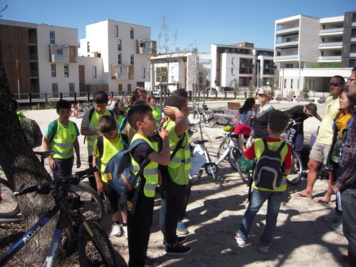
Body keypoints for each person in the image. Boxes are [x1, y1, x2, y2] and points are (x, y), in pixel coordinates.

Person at [235, 110, 292, 254]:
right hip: (278, 187)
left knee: (252, 210)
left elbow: (247, 157)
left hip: (260, 185)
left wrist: (241, 141)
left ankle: (242, 236)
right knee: (272, 216)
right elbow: (287, 171)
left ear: (268, 126)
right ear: (284, 128)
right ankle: (265, 244)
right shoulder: (286, 147)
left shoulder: (259, 143)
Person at [126, 104, 170, 267]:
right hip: (139, 196)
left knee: (144, 230)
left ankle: (141, 259)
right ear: (139, 124)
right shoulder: (141, 144)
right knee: (138, 232)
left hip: (146, 194)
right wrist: (166, 138)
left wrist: (156, 170)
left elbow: (148, 162)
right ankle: (136, 263)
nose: (155, 120)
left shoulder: (145, 140)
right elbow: (164, 159)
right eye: (150, 118)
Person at [295, 75, 345, 198]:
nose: (332, 86)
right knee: (312, 164)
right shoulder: (328, 99)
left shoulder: (343, 101)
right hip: (320, 137)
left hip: (332, 140)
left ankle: (328, 194)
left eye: (336, 84)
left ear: (342, 86)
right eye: (331, 83)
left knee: (330, 170)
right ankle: (308, 191)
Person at [159, 95, 192, 255]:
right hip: (175, 176)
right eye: (185, 109)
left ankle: (169, 237)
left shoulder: (169, 124)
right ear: (173, 111)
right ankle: (171, 244)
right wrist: (177, 112)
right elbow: (183, 123)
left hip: (178, 174)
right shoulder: (173, 126)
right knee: (171, 212)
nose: (188, 111)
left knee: (170, 210)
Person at [333, 67, 356, 267]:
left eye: (352, 80)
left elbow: (354, 155)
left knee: (352, 230)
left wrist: (340, 183)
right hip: (348, 176)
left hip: (351, 182)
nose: (349, 83)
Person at [323, 87, 354, 232]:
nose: (340, 100)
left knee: (345, 187)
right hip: (337, 155)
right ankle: (338, 212)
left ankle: (345, 218)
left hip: (348, 159)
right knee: (337, 184)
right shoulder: (339, 116)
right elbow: (336, 138)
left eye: (343, 98)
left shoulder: (353, 119)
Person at [92, 115, 128, 238]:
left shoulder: (124, 139)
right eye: (105, 134)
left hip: (123, 179)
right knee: (111, 203)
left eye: (111, 134)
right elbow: (95, 162)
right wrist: (98, 181)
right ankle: (115, 223)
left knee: (125, 202)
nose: (109, 137)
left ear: (116, 128)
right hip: (107, 180)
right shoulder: (100, 141)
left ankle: (126, 225)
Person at [81, 91, 114, 191]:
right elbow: (83, 131)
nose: (100, 109)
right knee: (93, 172)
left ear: (107, 104)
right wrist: (96, 132)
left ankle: (106, 192)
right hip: (92, 151)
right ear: (94, 104)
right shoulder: (89, 114)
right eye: (97, 106)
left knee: (107, 171)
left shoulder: (110, 114)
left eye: (102, 106)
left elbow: (115, 130)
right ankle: (94, 193)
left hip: (108, 150)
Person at [43, 100, 81, 180]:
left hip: (69, 158)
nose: (65, 114)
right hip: (57, 160)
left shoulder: (73, 125)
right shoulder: (53, 125)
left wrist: (78, 158)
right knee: (60, 183)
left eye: (67, 112)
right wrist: (50, 159)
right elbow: (45, 142)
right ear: (57, 112)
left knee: (67, 182)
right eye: (62, 112)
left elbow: (75, 142)